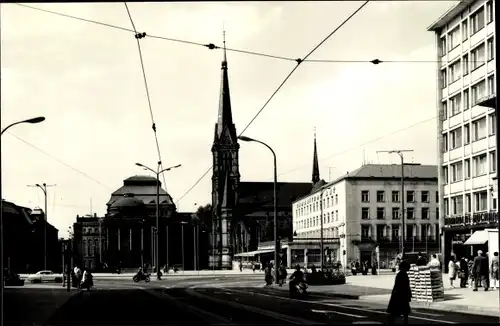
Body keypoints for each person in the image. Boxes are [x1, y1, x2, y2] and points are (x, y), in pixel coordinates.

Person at [387, 260, 412, 325]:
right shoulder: (402, 275)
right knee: (400, 312)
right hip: (400, 296)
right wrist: (408, 294)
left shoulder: (401, 274)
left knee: (397, 312)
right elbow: (405, 286)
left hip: (399, 296)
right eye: (408, 267)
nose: (408, 269)